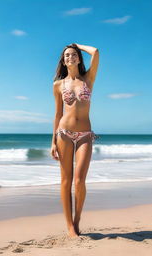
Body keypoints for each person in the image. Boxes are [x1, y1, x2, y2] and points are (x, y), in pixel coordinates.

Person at [50, 43, 99, 237]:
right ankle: (69, 225)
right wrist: (52, 141)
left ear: (79, 58)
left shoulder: (88, 79)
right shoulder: (58, 85)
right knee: (65, 181)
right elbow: (57, 114)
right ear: (63, 60)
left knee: (79, 181)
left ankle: (77, 220)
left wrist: (75, 45)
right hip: (64, 134)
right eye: (66, 55)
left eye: (73, 55)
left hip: (85, 134)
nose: (69, 57)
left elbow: (95, 52)